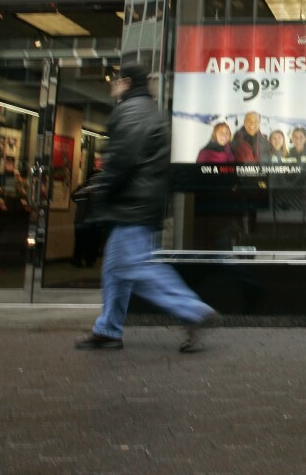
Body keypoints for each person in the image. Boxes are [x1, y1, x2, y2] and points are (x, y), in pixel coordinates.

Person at [75, 62, 217, 353]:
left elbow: (121, 160)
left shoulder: (132, 112)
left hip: (131, 205)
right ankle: (108, 329)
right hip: (140, 204)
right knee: (116, 270)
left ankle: (193, 310)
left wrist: (103, 191)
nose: (112, 85)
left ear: (126, 82)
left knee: (135, 266)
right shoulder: (150, 111)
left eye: (115, 81)